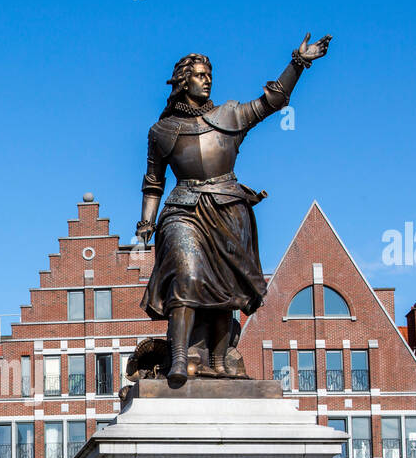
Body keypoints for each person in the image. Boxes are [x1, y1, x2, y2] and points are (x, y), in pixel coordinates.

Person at [136, 34, 332, 385]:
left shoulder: (229, 116)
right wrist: (146, 221)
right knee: (187, 274)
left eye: (209, 74)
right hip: (183, 208)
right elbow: (153, 182)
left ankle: (219, 355)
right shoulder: (161, 131)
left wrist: (298, 63)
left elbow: (272, 101)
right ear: (183, 81)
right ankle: (179, 355)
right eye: (199, 74)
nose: (207, 79)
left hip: (228, 208)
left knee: (228, 287)